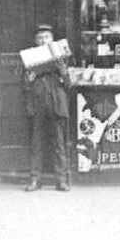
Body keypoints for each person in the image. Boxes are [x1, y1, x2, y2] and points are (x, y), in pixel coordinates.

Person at [23, 24, 72, 192]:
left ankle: (61, 180)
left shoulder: (61, 58)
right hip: (38, 105)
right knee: (37, 144)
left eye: (46, 37)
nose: (43, 41)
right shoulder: (29, 59)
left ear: (52, 39)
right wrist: (29, 80)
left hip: (56, 104)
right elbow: (24, 87)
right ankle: (35, 180)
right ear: (35, 41)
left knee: (59, 143)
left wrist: (63, 71)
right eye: (40, 38)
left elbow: (68, 85)